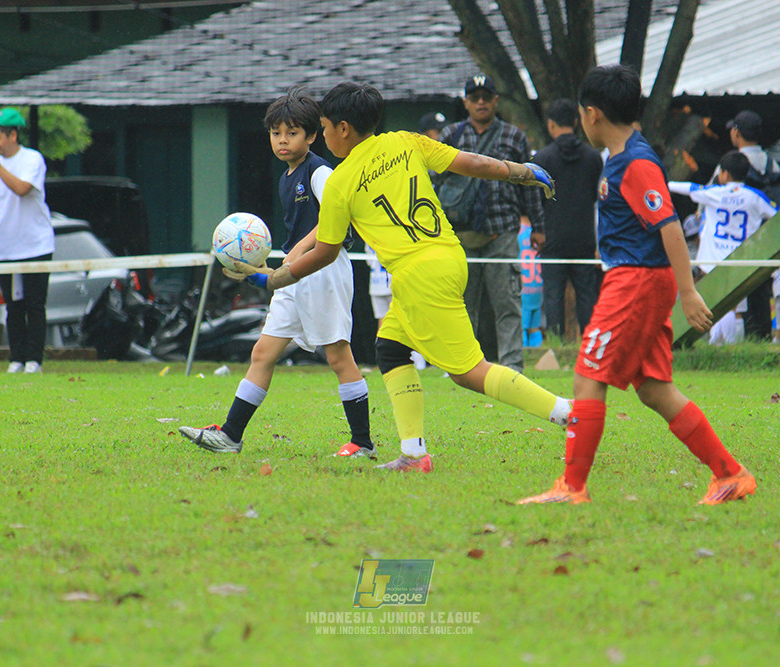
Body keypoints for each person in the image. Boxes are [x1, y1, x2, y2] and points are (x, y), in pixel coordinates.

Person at [229, 81, 569, 473]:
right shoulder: (406, 141)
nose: (322, 136)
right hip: (448, 257)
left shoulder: (340, 181)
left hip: (419, 276)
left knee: (468, 372)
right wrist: (522, 171)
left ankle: (566, 413)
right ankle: (413, 452)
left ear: (342, 129)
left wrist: (273, 280)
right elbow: (471, 163)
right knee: (390, 350)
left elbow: (324, 250)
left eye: (322, 128)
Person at [519, 65, 757, 506]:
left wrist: (688, 292)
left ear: (591, 114)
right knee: (653, 388)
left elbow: (668, 226)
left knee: (588, 377)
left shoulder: (637, 163)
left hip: (636, 282)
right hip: (637, 278)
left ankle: (571, 488)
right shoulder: (624, 157)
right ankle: (729, 474)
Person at [178, 88, 375, 458]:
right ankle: (231, 435)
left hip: (324, 270)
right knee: (263, 352)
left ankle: (362, 441)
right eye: (276, 133)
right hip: (295, 274)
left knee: (337, 357)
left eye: (292, 133)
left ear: (312, 135)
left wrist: (298, 250)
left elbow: (341, 215)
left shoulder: (319, 172)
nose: (283, 141)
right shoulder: (288, 175)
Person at [437, 75, 546, 372]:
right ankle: (462, 366)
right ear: (465, 102)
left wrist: (537, 226)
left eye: (487, 96)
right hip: (459, 235)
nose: (481, 102)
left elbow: (530, 183)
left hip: (504, 231)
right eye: (474, 97)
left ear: (497, 100)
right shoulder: (450, 135)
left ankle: (512, 367)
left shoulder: (515, 137)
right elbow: (432, 181)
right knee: (461, 305)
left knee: (508, 303)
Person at [0, 108, 54, 374]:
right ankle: (16, 358)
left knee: (34, 305)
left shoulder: (32, 159)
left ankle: (34, 361)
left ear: (13, 135)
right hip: (4, 248)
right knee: (13, 306)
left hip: (35, 245)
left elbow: (21, 189)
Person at [669, 151, 778, 345]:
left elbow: (689, 188)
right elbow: (778, 214)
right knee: (735, 309)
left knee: (720, 305)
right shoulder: (755, 197)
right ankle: (724, 346)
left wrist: (664, 184)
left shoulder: (714, 192)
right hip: (741, 259)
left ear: (725, 174)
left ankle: (723, 347)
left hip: (712, 260)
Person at [530, 98, 604, 339]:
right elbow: (598, 198)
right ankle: (590, 342)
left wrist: (538, 229)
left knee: (553, 294)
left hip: (552, 238)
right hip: (584, 238)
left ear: (551, 125)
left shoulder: (542, 158)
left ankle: (555, 343)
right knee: (587, 294)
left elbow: (535, 201)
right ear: (576, 121)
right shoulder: (593, 158)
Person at [722, 110, 780, 340]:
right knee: (761, 288)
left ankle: (736, 340)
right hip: (766, 237)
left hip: (735, 241)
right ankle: (762, 335)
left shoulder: (730, 164)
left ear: (736, 133)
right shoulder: (771, 163)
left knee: (735, 297)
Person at [366, 243, 426, 369]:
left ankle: (418, 361)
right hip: (381, 283)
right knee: (386, 324)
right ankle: (384, 360)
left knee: (403, 322)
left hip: (387, 283)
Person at [518, 218, 544, 348]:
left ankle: (523, 356)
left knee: (521, 328)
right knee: (535, 327)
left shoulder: (517, 232)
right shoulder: (538, 233)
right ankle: (537, 354)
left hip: (522, 289)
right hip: (537, 287)